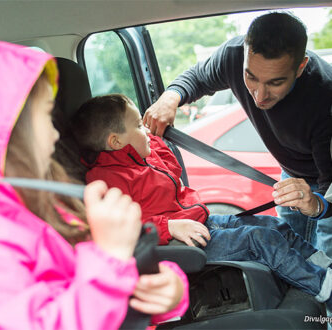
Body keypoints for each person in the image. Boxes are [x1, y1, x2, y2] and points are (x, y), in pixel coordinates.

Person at [0, 38, 189, 329]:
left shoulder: (45, 201)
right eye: (47, 116)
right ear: (4, 129)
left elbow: (98, 276)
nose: (56, 134)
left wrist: (167, 287)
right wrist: (110, 260)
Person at [70, 93, 332, 311]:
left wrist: (154, 140)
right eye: (138, 125)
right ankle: (322, 287)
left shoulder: (142, 157)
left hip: (200, 220)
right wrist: (169, 227)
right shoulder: (106, 179)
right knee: (260, 240)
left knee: (273, 225)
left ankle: (322, 264)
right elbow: (119, 227)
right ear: (116, 142)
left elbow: (171, 173)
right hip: (179, 241)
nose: (145, 130)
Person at [142, 11, 332, 256]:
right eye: (251, 77)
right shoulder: (233, 55)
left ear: (300, 67)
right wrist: (169, 98)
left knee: (326, 266)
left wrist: (316, 205)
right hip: (290, 175)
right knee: (291, 252)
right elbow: (199, 77)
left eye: (275, 83)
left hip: (327, 181)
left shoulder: (325, 97)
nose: (260, 95)